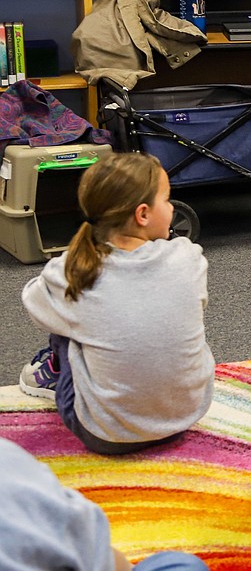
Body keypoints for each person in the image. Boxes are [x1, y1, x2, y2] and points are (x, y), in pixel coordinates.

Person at [18, 152, 215, 455]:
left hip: (105, 435)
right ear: (143, 215)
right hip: (184, 417)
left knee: (65, 320)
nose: (172, 207)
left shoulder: (71, 271)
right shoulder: (188, 257)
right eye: (167, 199)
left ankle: (51, 373)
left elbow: (34, 304)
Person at [0, 437, 209, 570]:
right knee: (183, 565)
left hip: (104, 433)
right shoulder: (11, 464)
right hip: (183, 412)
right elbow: (109, 562)